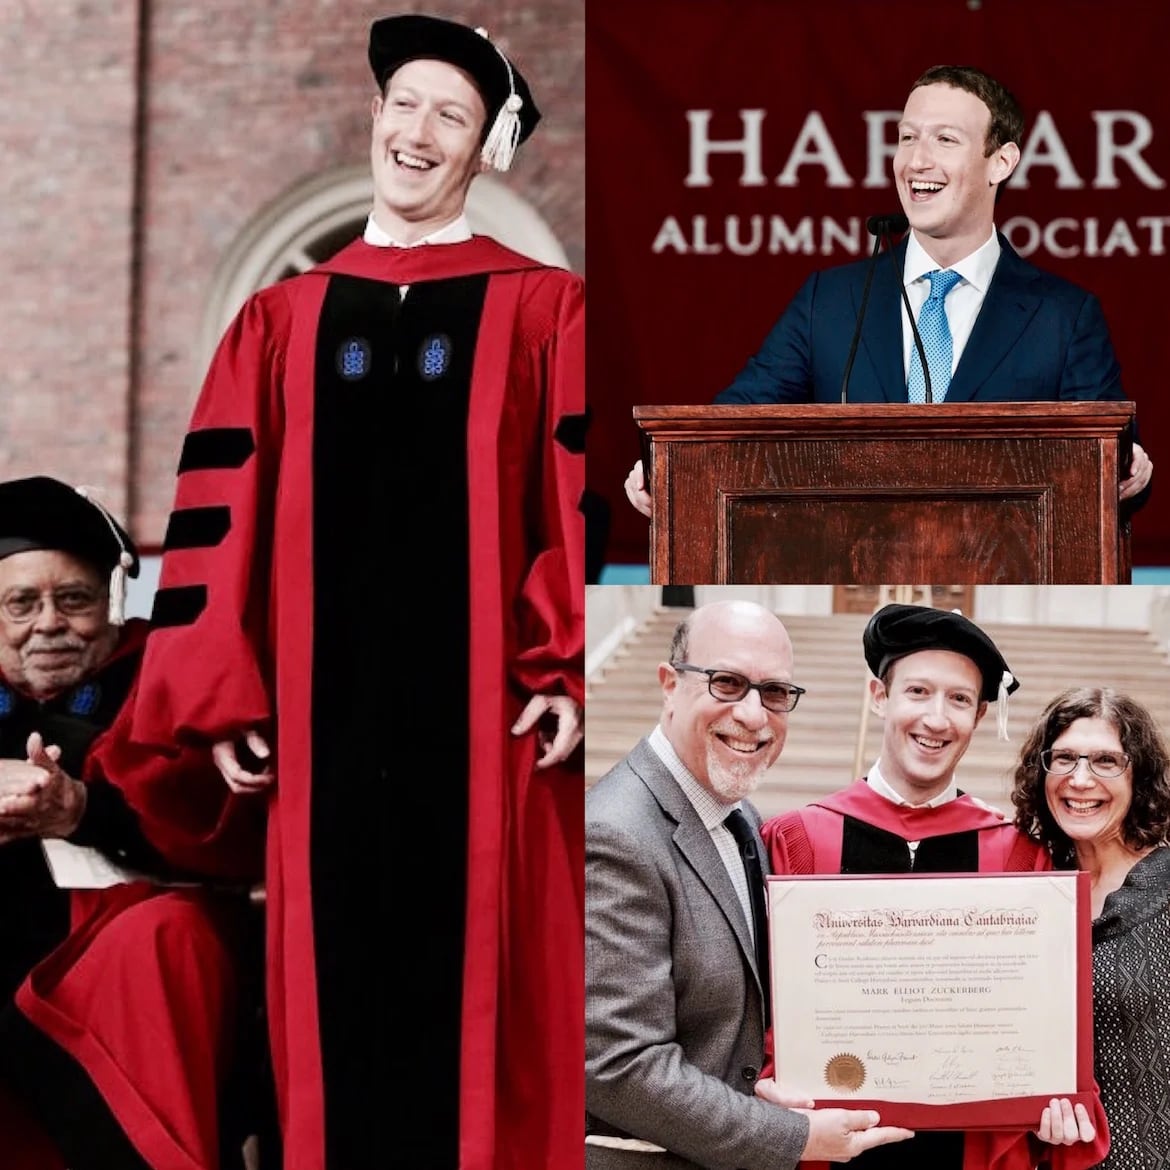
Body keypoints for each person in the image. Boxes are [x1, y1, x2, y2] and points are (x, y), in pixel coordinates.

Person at [126, 13, 585, 1170]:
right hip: (318, 744)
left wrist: (564, 661)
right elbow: (216, 516)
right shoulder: (279, 323)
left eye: (452, 114)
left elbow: (574, 506)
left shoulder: (544, 312)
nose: (419, 131)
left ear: (485, 147)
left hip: (484, 740)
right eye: (404, 105)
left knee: (481, 1007)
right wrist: (225, 693)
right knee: (334, 1016)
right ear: (374, 118)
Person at [624, 64, 1152, 517]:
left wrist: (1130, 476)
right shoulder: (829, 302)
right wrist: (669, 469)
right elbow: (729, 430)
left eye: (945, 139)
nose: (916, 161)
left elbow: (1103, 474)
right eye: (906, 137)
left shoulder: (1064, 315)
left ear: (1002, 161)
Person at [760, 602, 1108, 1169]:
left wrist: (1057, 1102)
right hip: (827, 1144)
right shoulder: (799, 840)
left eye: (960, 699)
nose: (937, 719)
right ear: (879, 697)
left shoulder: (1019, 854)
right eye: (918, 692)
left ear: (979, 715)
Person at [586, 598, 916, 1167]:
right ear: (670, 684)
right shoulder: (616, 834)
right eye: (727, 682)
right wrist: (795, 1136)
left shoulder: (744, 820)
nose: (753, 715)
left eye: (774, 693)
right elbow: (619, 1065)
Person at [0, 475, 266, 1170]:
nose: (49, 623)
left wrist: (83, 809)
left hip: (148, 952)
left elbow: (224, 827)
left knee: (159, 941)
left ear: (114, 604)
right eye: (20, 604)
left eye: (75, 599)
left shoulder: (171, 679)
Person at [1011, 687, 1170, 1170]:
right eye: (1064, 759)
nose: (1080, 780)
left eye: (1105, 761)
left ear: (1137, 775)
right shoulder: (1028, 889)